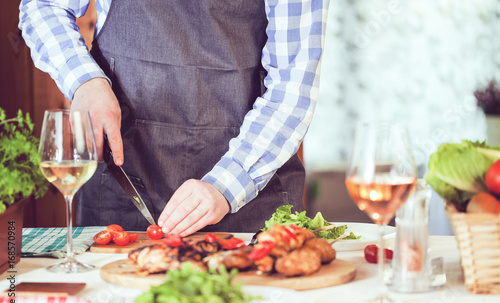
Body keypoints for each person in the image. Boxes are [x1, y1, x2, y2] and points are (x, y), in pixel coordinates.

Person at [19, 0, 330, 235]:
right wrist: (85, 81)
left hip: (250, 189)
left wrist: (225, 186)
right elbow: (43, 6)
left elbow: (293, 83)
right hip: (123, 182)